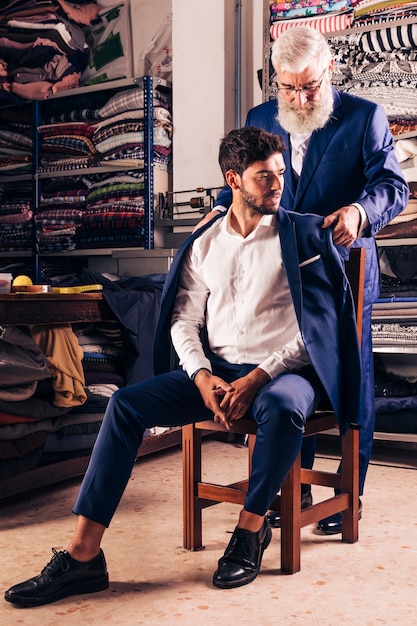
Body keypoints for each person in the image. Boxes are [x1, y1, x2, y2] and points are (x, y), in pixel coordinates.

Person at [4, 126, 362, 607]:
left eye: (281, 173)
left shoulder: (303, 233)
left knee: (283, 409)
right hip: (217, 370)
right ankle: (84, 555)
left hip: (287, 373)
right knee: (126, 406)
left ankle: (250, 531)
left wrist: (259, 377)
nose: (277, 184)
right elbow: (183, 318)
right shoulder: (204, 241)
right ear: (233, 180)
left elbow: (316, 330)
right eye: (264, 177)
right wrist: (200, 374)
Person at [201, 27, 409, 533]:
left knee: (348, 380)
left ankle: (348, 494)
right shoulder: (258, 119)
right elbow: (243, 187)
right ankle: (291, 486)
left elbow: (392, 186)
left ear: (329, 71)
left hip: (342, 273)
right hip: (276, 272)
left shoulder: (364, 116)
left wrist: (361, 212)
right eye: (289, 87)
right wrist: (216, 213)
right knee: (288, 378)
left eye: (310, 86)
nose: (298, 97)